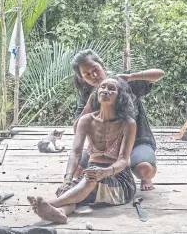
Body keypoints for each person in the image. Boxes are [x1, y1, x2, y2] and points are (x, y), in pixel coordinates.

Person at [27, 77, 137, 224]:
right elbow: (76, 152)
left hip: (118, 178)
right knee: (74, 187)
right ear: (97, 93)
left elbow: (123, 159)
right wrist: (67, 179)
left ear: (120, 97)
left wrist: (105, 172)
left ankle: (53, 203)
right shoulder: (86, 120)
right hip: (90, 174)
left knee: (88, 181)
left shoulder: (128, 123)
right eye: (103, 87)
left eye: (112, 89)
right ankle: (60, 212)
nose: (105, 90)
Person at [70, 49, 165, 191]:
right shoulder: (87, 95)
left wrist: (131, 76)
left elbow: (159, 74)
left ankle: (144, 176)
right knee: (76, 171)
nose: (94, 76)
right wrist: (92, 98)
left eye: (95, 69)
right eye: (87, 74)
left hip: (137, 143)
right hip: (105, 149)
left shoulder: (125, 83)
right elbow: (77, 130)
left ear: (103, 66)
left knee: (144, 169)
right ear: (82, 78)